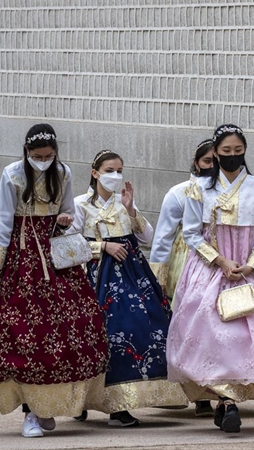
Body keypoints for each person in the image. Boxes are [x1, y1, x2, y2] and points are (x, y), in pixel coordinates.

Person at [167, 124, 254, 433]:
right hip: (210, 267)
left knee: (251, 336)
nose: (232, 157)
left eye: (238, 151)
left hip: (249, 267)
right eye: (226, 152)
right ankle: (225, 399)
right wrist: (219, 261)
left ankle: (230, 400)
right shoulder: (199, 189)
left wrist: (250, 264)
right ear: (216, 153)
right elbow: (192, 233)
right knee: (213, 332)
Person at [0, 124, 108, 438]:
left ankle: (47, 406)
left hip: (56, 260)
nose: (43, 160)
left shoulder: (64, 173)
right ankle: (29, 411)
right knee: (22, 336)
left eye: (48, 155)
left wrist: (65, 221)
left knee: (64, 333)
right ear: (27, 153)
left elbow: (71, 213)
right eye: (37, 156)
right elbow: (3, 222)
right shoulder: (13, 175)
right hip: (22, 262)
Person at [71, 150, 188, 427]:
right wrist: (103, 246)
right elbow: (68, 246)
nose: (115, 175)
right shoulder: (80, 204)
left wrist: (131, 209)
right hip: (96, 276)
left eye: (119, 170)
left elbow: (147, 235)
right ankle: (83, 399)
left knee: (143, 328)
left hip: (132, 276)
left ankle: (120, 404)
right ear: (95, 172)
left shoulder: (122, 203)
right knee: (96, 336)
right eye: (109, 170)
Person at [149, 139, 216, 417]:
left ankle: (217, 388)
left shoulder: (234, 191)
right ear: (196, 162)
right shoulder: (179, 193)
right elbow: (162, 238)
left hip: (222, 260)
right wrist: (158, 279)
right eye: (207, 161)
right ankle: (194, 391)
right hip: (187, 260)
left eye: (218, 160)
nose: (213, 167)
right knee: (191, 326)